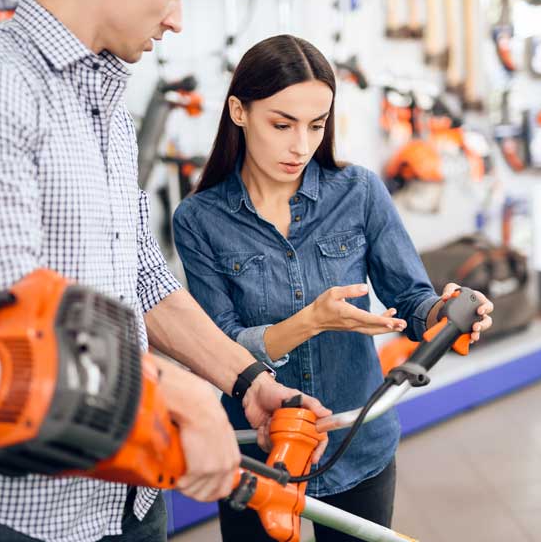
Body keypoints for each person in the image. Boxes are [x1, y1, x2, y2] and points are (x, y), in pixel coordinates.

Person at [0, 0, 330, 541]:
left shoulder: (105, 104)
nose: (178, 17)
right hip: (24, 507)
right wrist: (178, 392)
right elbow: (3, 313)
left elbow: (144, 279)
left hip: (128, 492)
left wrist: (248, 380)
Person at [172, 34, 494, 542]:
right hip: (258, 454)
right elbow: (219, 347)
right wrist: (311, 321)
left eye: (316, 125)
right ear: (238, 111)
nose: (301, 145)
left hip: (356, 442)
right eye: (282, 124)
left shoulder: (360, 192)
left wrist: (444, 314)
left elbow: (411, 301)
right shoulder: (198, 219)